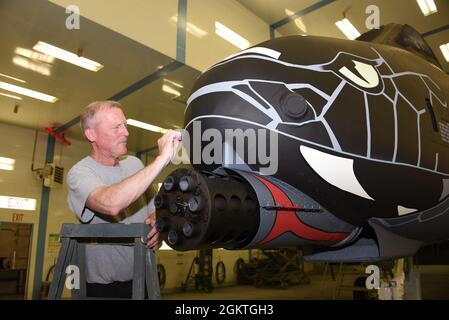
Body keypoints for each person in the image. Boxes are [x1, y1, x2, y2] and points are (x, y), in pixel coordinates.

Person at [66, 100, 181, 298]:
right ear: (91, 134)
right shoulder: (80, 173)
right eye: (116, 127)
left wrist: (158, 224)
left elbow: (154, 208)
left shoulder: (134, 164)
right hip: (102, 287)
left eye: (125, 125)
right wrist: (162, 160)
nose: (126, 132)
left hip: (144, 276)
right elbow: (111, 204)